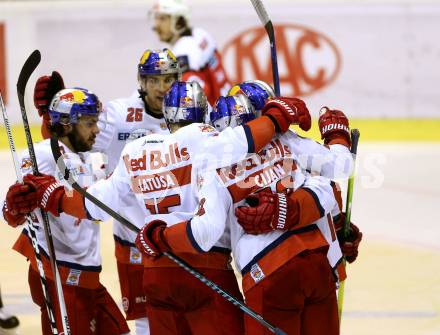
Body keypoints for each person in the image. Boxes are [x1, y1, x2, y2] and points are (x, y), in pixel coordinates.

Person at [12, 80, 309, 334]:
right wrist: (275, 117)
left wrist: (52, 196)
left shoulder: (136, 151)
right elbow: (246, 138)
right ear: (203, 113)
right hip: (205, 270)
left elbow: (96, 205)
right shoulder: (206, 138)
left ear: (166, 116)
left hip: (155, 274)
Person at [135, 92, 363, 334]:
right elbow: (340, 168)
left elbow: (205, 233)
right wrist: (337, 135)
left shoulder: (214, 167)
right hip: (317, 263)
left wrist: (159, 237)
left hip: (267, 272)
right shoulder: (282, 138)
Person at [33, 48, 181, 334]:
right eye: (154, 80)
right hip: (133, 235)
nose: (162, 88)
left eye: (169, 79)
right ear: (142, 81)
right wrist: (53, 117)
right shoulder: (119, 114)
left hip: (179, 231)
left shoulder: (189, 110)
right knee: (145, 316)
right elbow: (69, 145)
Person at [2, 88, 130, 335]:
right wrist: (15, 205)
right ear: (68, 124)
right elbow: (9, 212)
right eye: (90, 123)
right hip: (61, 276)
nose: (97, 130)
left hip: (86, 276)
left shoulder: (84, 157)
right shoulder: (41, 154)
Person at [149, 0, 231, 105]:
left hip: (215, 113)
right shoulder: (201, 34)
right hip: (226, 101)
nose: (156, 26)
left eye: (162, 19)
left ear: (179, 22)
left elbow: (196, 94)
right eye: (156, 18)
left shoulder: (183, 53)